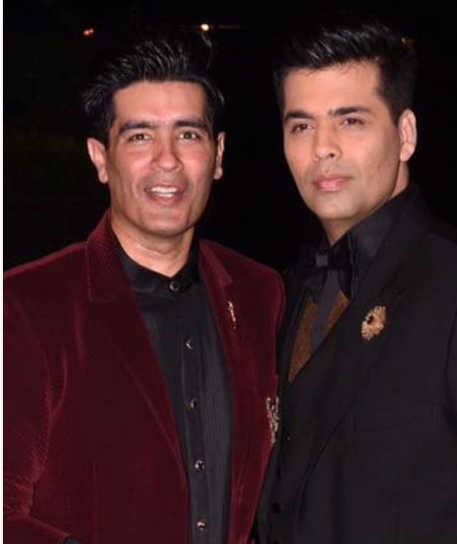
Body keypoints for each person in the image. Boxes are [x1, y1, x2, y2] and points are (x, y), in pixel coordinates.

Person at [4, 32, 284, 544]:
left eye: (188, 134)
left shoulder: (258, 295)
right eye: (139, 137)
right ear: (100, 157)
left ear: (218, 154)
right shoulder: (25, 305)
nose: (167, 160)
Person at [259, 14, 457, 544]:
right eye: (301, 126)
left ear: (405, 135)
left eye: (351, 121)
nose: (323, 147)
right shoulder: (284, 290)